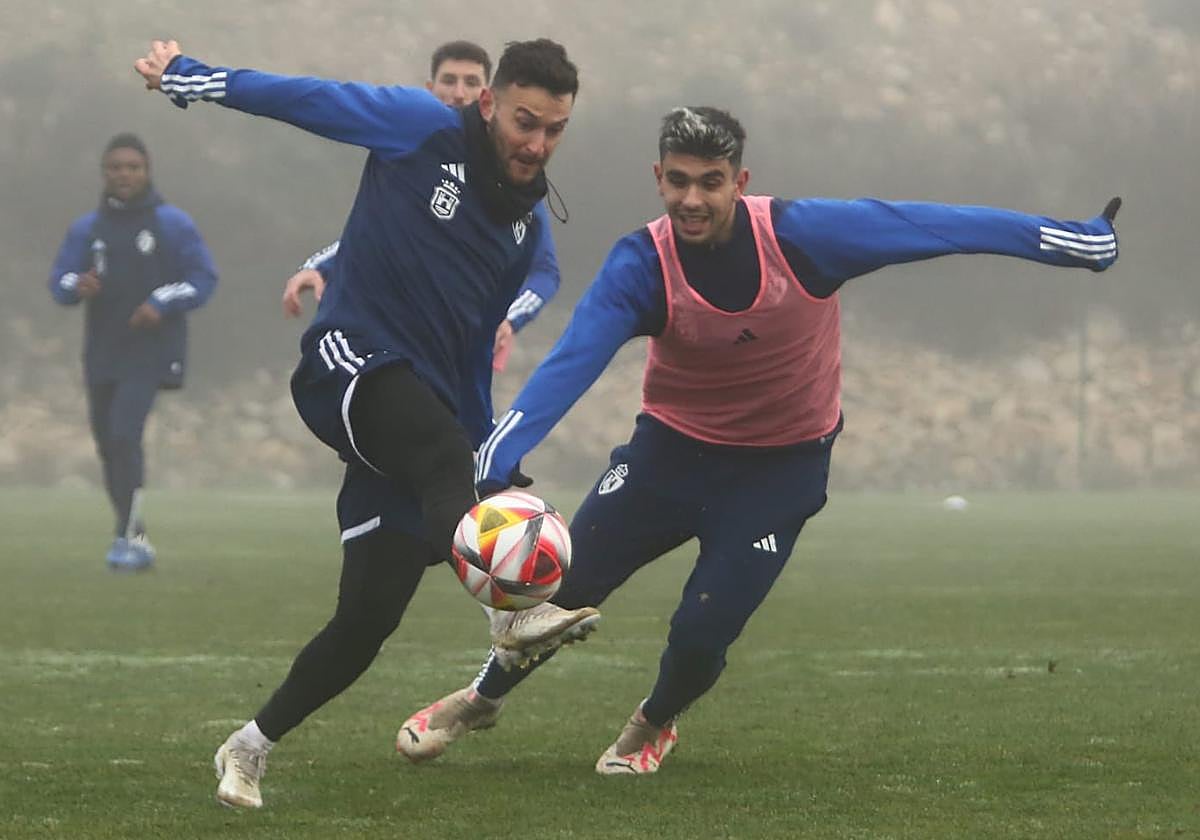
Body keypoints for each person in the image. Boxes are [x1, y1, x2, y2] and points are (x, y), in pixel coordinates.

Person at [393, 106, 1122, 776]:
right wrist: (496, 458)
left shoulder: (805, 237)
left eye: (711, 183)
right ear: (658, 178)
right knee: (562, 587)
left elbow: (934, 226)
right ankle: (480, 700)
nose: (692, 199)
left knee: (704, 627)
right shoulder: (641, 265)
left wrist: (1073, 241)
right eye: (679, 182)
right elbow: (571, 362)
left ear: (740, 183)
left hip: (780, 473)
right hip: (668, 456)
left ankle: (652, 723)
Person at [133, 37, 597, 809]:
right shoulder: (422, 126)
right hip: (346, 362)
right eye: (525, 122)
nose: (537, 143)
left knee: (366, 621)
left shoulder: (523, 230)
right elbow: (304, 98)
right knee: (441, 451)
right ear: (488, 104)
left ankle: (248, 746)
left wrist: (484, 450)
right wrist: (187, 77)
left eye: (554, 130)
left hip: (416, 416)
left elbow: (471, 351)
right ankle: (508, 614)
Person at [282, 40, 562, 374]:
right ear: (430, 89)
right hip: (392, 341)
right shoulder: (412, 149)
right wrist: (319, 266)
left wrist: (509, 318)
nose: (459, 93)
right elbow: (382, 236)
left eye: (471, 82)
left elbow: (546, 270)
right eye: (449, 81)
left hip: (457, 350)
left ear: (489, 98)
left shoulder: (513, 181)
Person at [49, 133, 218, 572]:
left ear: (147, 171)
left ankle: (128, 538)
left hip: (150, 350)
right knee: (109, 443)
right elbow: (60, 281)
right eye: (115, 167)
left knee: (125, 434)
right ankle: (132, 530)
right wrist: (77, 285)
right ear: (103, 173)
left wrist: (160, 302)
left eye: (132, 167)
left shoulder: (172, 223)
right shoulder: (88, 228)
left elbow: (203, 279)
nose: (123, 174)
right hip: (102, 351)